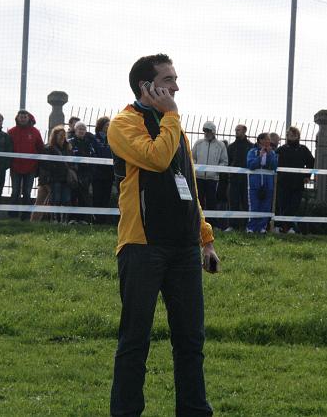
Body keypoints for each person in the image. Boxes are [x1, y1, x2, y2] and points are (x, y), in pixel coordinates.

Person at [107, 53, 218, 417]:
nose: (176, 86)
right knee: (135, 341)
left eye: (174, 79)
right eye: (168, 79)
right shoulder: (123, 124)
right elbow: (156, 159)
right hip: (142, 247)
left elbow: (187, 184)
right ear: (147, 86)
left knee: (191, 341)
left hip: (184, 249)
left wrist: (206, 239)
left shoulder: (174, 127)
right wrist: (170, 115)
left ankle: (195, 411)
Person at [276, 126, 314, 233]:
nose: (291, 137)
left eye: (294, 135)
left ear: (298, 136)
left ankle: (290, 227)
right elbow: (274, 163)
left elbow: (311, 162)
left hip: (298, 183)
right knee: (283, 206)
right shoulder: (281, 150)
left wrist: (307, 176)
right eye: (289, 135)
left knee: (294, 206)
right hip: (283, 183)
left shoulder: (303, 149)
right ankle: (284, 227)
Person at [8, 109, 44, 221]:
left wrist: (39, 165)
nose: (23, 118)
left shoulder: (35, 132)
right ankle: (13, 216)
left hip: (31, 167)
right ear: (17, 118)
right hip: (15, 166)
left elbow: (40, 148)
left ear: (28, 118)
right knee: (15, 191)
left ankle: (25, 217)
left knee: (27, 192)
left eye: (25, 116)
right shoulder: (11, 131)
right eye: (21, 116)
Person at [191, 121, 228, 219]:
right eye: (205, 131)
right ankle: (198, 222)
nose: (206, 133)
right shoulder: (198, 143)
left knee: (212, 201)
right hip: (198, 177)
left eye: (208, 131)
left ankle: (212, 224)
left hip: (213, 179)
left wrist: (215, 170)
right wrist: (196, 168)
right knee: (199, 201)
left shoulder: (220, 145)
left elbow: (224, 161)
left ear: (213, 132)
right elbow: (192, 157)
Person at [39, 125, 75, 223]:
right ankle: (54, 220)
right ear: (55, 136)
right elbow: (45, 164)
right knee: (55, 200)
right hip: (54, 179)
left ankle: (64, 221)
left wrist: (69, 169)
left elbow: (72, 162)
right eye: (60, 135)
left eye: (64, 135)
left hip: (66, 179)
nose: (62, 137)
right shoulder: (48, 148)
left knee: (66, 200)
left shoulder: (68, 148)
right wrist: (56, 168)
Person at [246, 133, 278, 233]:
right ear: (260, 140)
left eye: (269, 140)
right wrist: (259, 157)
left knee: (266, 206)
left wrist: (269, 154)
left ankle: (262, 227)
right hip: (255, 184)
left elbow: (274, 166)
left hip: (268, 184)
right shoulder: (252, 151)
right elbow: (250, 165)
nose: (269, 141)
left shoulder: (272, 152)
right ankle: (251, 228)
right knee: (254, 206)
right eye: (267, 139)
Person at [226, 124, 253, 231]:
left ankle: (246, 225)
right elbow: (228, 162)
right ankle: (233, 225)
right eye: (236, 130)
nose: (236, 132)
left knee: (246, 203)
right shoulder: (231, 147)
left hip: (247, 180)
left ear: (245, 131)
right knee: (233, 203)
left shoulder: (251, 146)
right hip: (233, 179)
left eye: (239, 130)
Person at [69, 121, 97, 224]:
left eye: (83, 129)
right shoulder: (70, 142)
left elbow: (94, 157)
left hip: (86, 174)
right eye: (79, 129)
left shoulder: (89, 143)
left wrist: (91, 173)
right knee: (73, 196)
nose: (81, 131)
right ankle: (72, 219)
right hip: (74, 173)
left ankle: (83, 219)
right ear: (75, 130)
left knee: (84, 197)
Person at [92, 116, 114, 223]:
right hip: (98, 172)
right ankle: (96, 219)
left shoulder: (113, 138)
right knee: (97, 196)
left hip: (109, 172)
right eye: (106, 125)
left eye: (110, 125)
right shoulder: (94, 138)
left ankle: (103, 220)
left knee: (106, 196)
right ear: (101, 126)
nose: (108, 127)